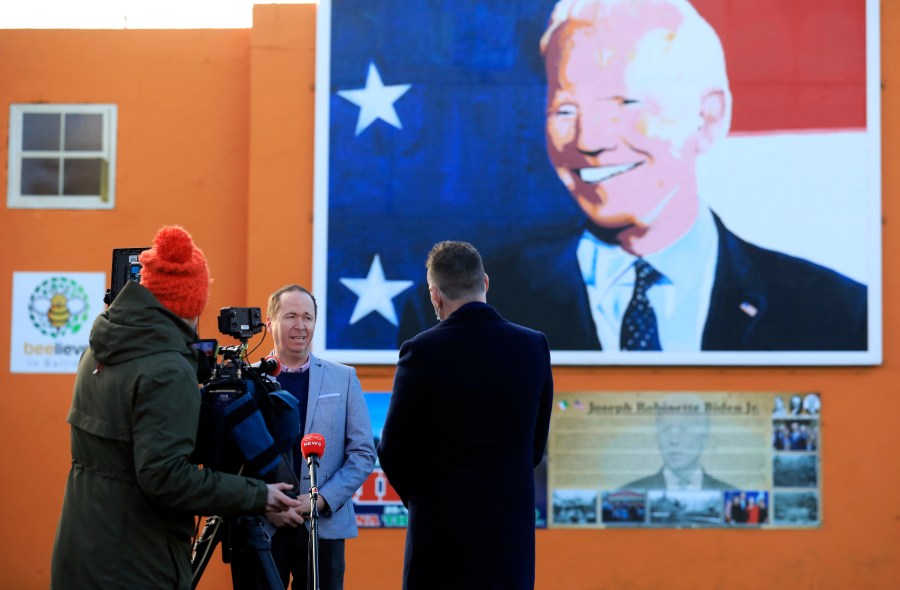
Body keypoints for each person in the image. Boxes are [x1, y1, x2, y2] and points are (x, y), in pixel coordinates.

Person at [399, 0, 867, 352]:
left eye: (626, 102)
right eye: (565, 108)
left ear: (708, 117)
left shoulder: (837, 311)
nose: (589, 139)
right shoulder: (454, 308)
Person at [50, 226, 302, 590]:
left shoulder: (101, 348)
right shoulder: (167, 369)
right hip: (135, 563)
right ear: (191, 301)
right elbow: (166, 478)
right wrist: (256, 494)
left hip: (81, 550)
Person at [378, 241, 554, 589]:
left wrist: (426, 500)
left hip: (440, 538)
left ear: (434, 296)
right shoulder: (533, 345)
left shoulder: (421, 351)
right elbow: (536, 445)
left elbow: (393, 450)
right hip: (509, 537)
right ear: (485, 282)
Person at [258, 284, 376, 590]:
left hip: (324, 529)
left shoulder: (344, 377)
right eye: (291, 316)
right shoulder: (248, 379)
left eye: (308, 317)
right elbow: (230, 458)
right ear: (270, 322)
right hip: (262, 528)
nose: (300, 326)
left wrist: (318, 500)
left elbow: (363, 453)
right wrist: (265, 504)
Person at [623, 394, 734, 491]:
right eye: (665, 429)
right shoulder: (631, 491)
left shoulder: (728, 491)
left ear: (703, 438)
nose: (673, 440)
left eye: (683, 429)